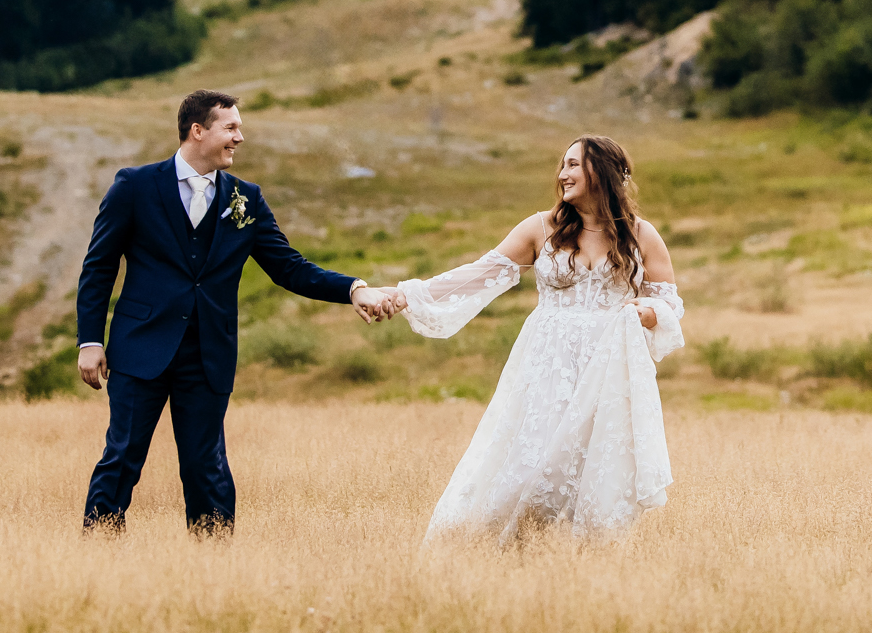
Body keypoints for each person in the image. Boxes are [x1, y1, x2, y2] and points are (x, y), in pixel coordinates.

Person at [74, 88, 397, 532]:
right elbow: (98, 267)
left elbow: (288, 267)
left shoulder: (246, 199)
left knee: (206, 466)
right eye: (231, 127)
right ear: (197, 130)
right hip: (139, 347)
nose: (239, 138)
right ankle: (97, 549)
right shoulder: (135, 186)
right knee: (124, 455)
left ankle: (215, 566)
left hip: (209, 353)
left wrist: (353, 289)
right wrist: (90, 340)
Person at [372, 134, 684, 542]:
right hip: (547, 365)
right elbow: (480, 274)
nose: (562, 174)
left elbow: (668, 303)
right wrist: (407, 294)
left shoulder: (641, 235)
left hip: (607, 369)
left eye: (573, 165)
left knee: (592, 468)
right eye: (563, 165)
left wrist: (643, 313)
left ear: (601, 171)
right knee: (530, 464)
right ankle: (496, 550)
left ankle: (580, 565)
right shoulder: (541, 228)